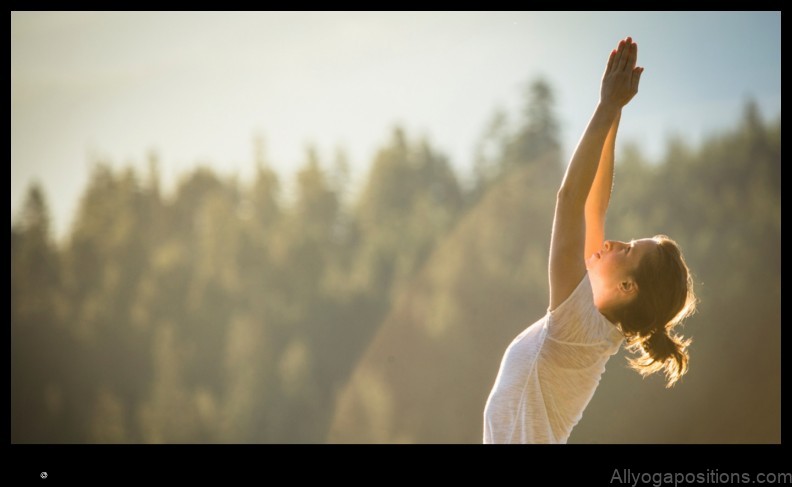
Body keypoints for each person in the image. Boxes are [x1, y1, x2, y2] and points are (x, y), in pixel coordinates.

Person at [483, 36, 697, 444]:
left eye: (629, 250)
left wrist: (606, 107)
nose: (616, 242)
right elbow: (593, 210)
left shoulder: (578, 327)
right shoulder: (594, 324)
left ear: (627, 287)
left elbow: (570, 201)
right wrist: (615, 115)